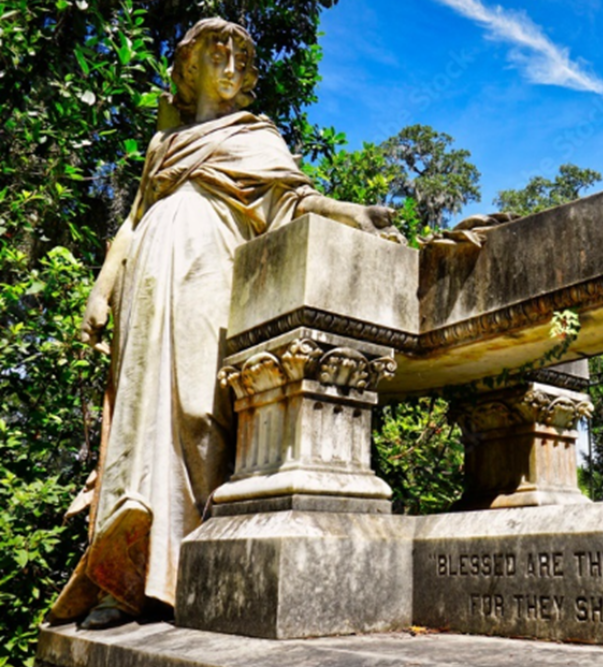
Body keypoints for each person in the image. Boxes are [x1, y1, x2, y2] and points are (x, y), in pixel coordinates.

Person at [48, 17, 398, 629]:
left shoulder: (255, 136)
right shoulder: (164, 144)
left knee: (196, 409)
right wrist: (101, 289)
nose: (232, 66)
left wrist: (349, 213)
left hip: (209, 270)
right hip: (146, 286)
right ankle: (124, 585)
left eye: (241, 57)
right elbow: (134, 220)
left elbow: (292, 201)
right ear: (190, 65)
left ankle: (194, 570)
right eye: (218, 54)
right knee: (138, 419)